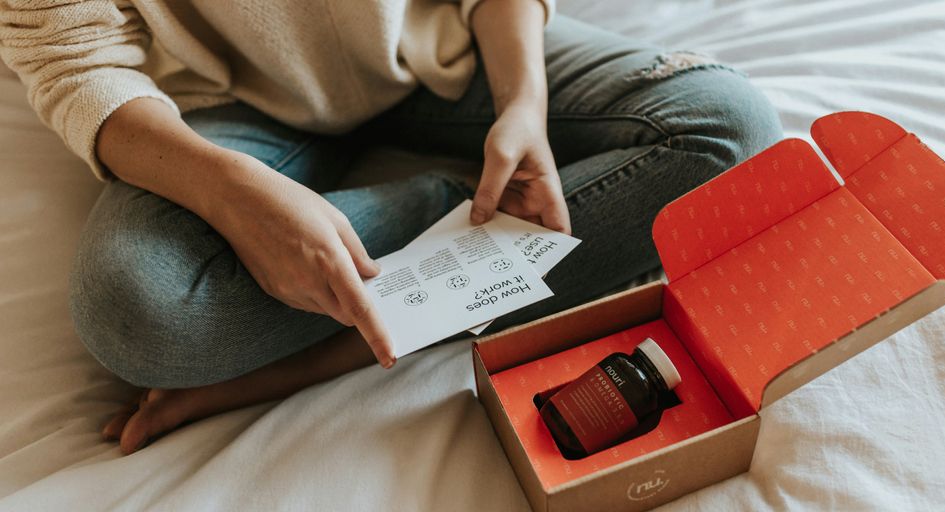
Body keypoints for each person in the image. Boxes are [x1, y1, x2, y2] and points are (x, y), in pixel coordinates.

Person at [0, 0, 782, 455]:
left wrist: (523, 105)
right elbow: (72, 59)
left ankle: (325, 351)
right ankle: (450, 209)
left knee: (731, 132)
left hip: (438, 43)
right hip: (214, 110)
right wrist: (236, 194)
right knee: (136, 316)